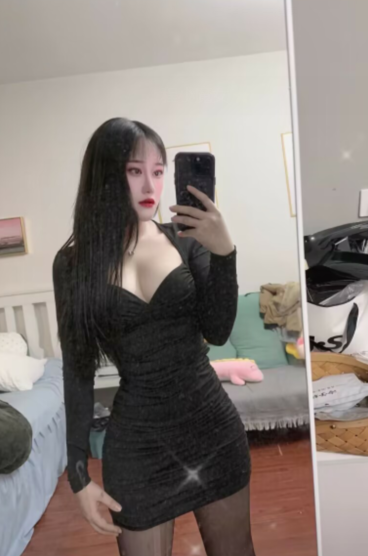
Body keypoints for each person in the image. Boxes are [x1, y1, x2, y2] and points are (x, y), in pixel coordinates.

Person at [53, 117, 256, 556]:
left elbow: (218, 332)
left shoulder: (187, 240)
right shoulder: (72, 265)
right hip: (138, 447)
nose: (151, 185)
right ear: (106, 175)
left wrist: (225, 254)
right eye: (135, 170)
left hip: (212, 430)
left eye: (159, 171)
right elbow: (77, 369)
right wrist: (78, 474)